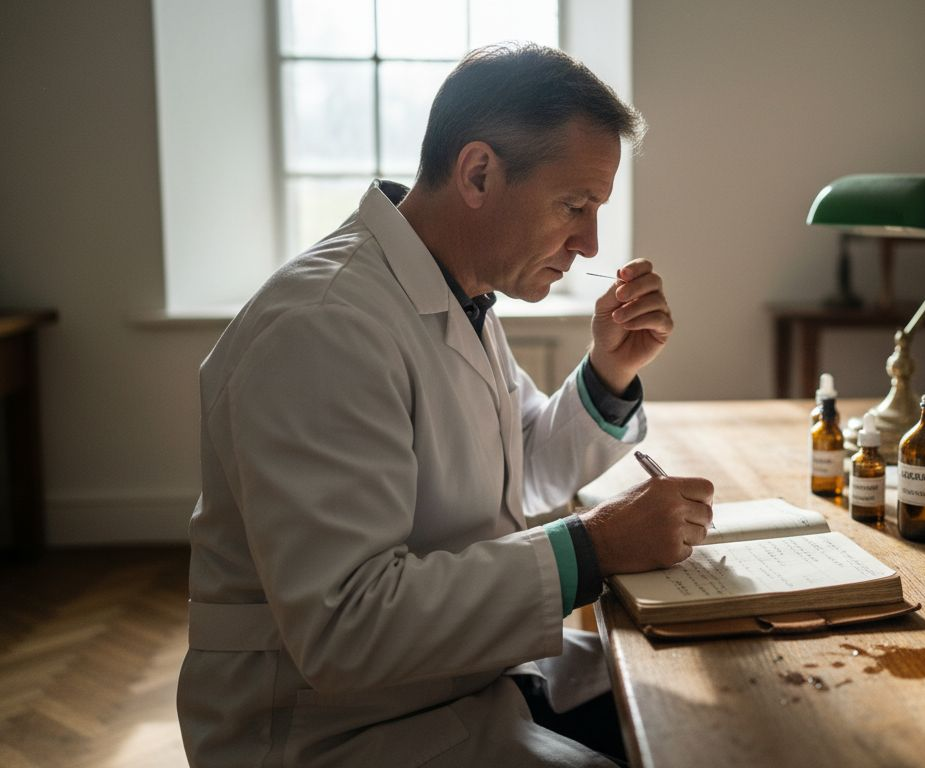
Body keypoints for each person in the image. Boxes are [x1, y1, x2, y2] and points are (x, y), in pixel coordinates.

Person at [177, 44, 714, 767]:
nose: (589, 244)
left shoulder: (456, 295)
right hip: (333, 727)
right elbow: (347, 626)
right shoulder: (323, 326)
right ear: (479, 173)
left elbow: (519, 469)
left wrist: (611, 371)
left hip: (449, 679)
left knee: (707, 716)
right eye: (575, 205)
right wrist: (594, 548)